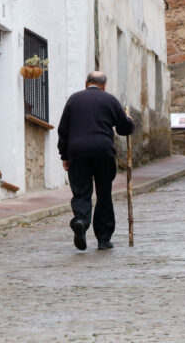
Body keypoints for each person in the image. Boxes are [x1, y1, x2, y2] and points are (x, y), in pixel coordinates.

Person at [57, 71, 134, 251]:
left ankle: (81, 221)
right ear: (104, 85)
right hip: (103, 151)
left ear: (86, 83)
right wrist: (129, 121)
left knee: (81, 192)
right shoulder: (110, 100)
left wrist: (64, 156)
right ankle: (103, 238)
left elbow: (63, 130)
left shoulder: (74, 100)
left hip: (77, 152)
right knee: (104, 193)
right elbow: (124, 128)